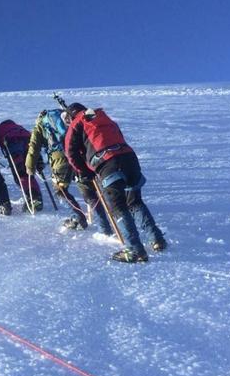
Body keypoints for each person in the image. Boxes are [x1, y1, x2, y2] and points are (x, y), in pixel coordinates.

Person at [64, 103, 167, 263]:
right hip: (129, 158)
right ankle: (156, 239)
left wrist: (86, 172)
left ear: (71, 116)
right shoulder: (103, 118)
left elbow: (70, 153)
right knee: (134, 202)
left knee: (118, 207)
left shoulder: (77, 122)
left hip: (108, 163)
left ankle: (134, 250)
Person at [25, 108, 112, 235]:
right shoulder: (66, 116)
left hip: (60, 159)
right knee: (90, 193)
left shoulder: (41, 124)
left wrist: (30, 166)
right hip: (79, 157)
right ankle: (105, 228)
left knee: (60, 191)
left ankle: (78, 217)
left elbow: (34, 146)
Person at [0, 119, 43, 212]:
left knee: (20, 174)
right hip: (28, 141)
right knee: (29, 171)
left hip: (12, 144)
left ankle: (32, 198)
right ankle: (36, 197)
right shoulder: (18, 127)